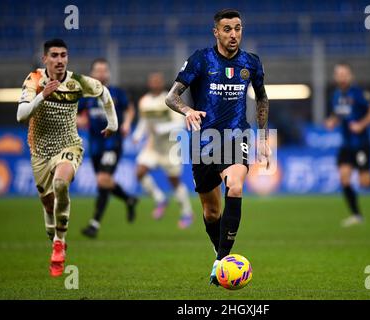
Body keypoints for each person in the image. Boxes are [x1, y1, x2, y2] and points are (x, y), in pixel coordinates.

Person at [165, 9, 271, 285]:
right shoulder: (201, 59)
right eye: (227, 29)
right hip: (204, 143)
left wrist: (262, 136)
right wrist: (187, 110)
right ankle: (219, 251)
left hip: (237, 139)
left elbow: (261, 98)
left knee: (235, 185)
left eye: (237, 28)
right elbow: (171, 97)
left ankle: (220, 263)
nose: (233, 34)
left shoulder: (251, 62)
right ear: (216, 32)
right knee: (211, 212)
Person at [16, 39, 118, 276]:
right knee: (47, 202)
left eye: (63, 55)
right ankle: (52, 231)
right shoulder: (34, 79)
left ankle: (59, 243)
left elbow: (103, 92)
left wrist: (112, 123)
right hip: (39, 151)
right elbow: (21, 115)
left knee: (61, 183)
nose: (59, 60)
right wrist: (43, 95)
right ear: (45, 59)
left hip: (69, 144)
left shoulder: (77, 82)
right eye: (54, 55)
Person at [325, 62, 370, 227]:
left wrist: (361, 124)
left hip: (361, 144)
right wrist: (332, 121)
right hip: (346, 144)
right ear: (335, 76)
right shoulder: (336, 95)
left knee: (364, 183)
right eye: (339, 73)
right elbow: (339, 114)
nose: (342, 77)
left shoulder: (359, 93)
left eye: (345, 73)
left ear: (350, 75)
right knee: (344, 177)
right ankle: (356, 216)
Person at [78, 58, 138, 238]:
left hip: (113, 143)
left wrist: (127, 123)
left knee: (103, 179)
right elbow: (79, 116)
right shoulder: (87, 96)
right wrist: (78, 121)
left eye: (104, 70)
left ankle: (94, 223)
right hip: (95, 144)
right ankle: (128, 199)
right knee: (102, 184)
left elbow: (129, 109)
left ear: (108, 73)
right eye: (98, 70)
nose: (102, 73)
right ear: (92, 74)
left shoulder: (117, 93)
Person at [133, 72, 194, 229]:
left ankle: (187, 212)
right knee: (139, 172)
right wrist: (138, 135)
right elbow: (145, 121)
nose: (155, 84)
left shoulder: (170, 100)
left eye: (157, 81)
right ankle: (160, 198)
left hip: (170, 148)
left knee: (174, 181)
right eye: (152, 81)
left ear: (162, 83)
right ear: (149, 83)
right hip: (153, 147)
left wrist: (161, 129)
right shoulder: (144, 101)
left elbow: (180, 124)